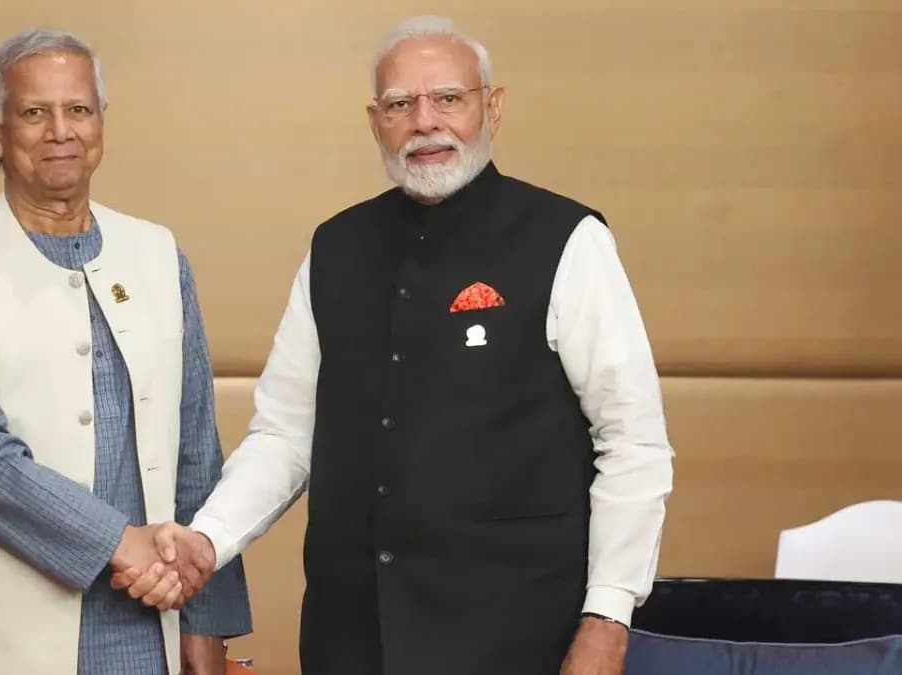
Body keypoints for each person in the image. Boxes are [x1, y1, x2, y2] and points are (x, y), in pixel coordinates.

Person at [120, 14, 675, 675]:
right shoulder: (335, 248)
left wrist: (608, 617)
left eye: (448, 99)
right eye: (400, 104)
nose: (424, 122)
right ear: (374, 121)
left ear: (492, 107)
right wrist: (208, 540)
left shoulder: (568, 240)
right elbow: (285, 435)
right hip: (353, 637)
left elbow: (633, 443)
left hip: (519, 637)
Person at [0, 26, 250, 675]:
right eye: (34, 112)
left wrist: (210, 618)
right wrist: (121, 543)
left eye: (78, 109)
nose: (61, 130)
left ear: (101, 122)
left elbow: (196, 450)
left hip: (144, 640)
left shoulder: (159, 255)